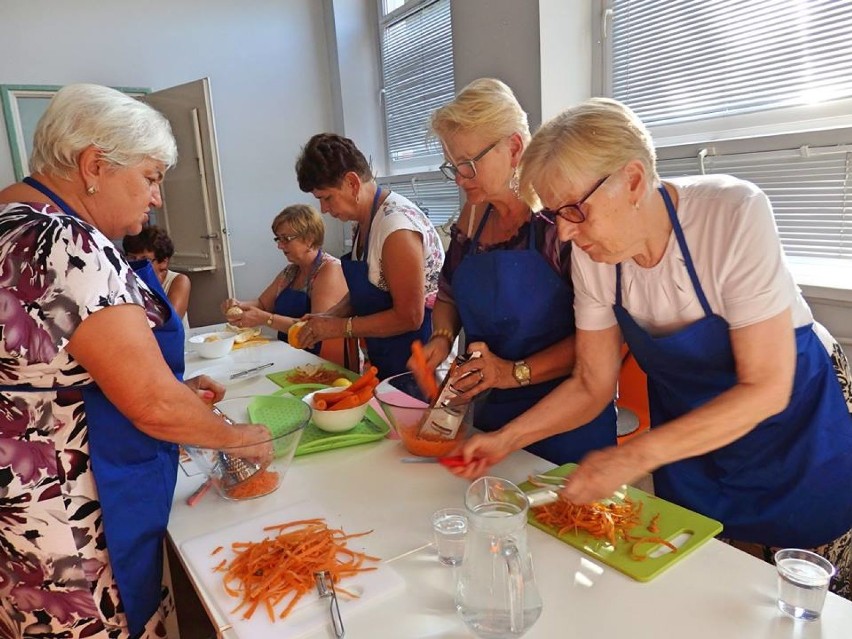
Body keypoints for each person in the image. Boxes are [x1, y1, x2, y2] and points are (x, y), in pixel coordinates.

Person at [453, 97, 852, 597]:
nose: (568, 234)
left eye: (575, 210)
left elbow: (767, 387)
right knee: (705, 585)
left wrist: (632, 457)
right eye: (558, 215)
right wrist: (505, 440)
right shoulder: (597, 257)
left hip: (794, 426)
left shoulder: (732, 213)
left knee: (805, 593)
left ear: (634, 180)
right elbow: (591, 383)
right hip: (692, 436)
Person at [0, 84, 272, 637]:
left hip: (20, 512)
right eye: (150, 178)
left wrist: (172, 391)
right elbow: (149, 403)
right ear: (93, 165)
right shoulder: (63, 243)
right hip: (70, 521)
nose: (156, 199)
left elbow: (55, 371)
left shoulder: (12, 218)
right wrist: (244, 438)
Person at [414, 78, 616, 464]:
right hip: (493, 414)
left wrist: (512, 372)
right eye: (452, 165)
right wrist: (440, 338)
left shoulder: (561, 222)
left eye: (469, 164)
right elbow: (450, 293)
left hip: (569, 420)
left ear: (514, 148)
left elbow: (601, 345)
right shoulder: (473, 215)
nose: (459, 178)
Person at [294, 133, 445, 378]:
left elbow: (410, 317)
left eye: (327, 198)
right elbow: (369, 291)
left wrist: (340, 328)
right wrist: (330, 316)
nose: (324, 209)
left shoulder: (396, 228)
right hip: (384, 361)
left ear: (353, 183)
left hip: (416, 368)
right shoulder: (364, 221)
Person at [219, 204, 347, 361]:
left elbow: (316, 327)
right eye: (278, 239)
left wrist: (266, 319)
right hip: (291, 354)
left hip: (321, 360)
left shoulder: (330, 270)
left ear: (309, 238)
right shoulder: (291, 272)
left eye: (286, 239)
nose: (280, 245)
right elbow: (262, 304)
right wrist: (238, 306)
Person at [123, 224, 192, 330]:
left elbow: (169, 324)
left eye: (144, 260)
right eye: (132, 258)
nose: (137, 264)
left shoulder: (179, 281)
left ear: (163, 262)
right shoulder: (126, 282)